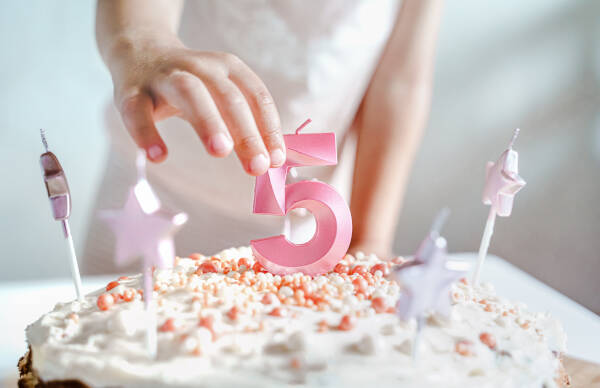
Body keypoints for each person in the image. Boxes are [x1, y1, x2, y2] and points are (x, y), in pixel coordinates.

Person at [85, 0, 443, 274]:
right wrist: (144, 43)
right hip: (148, 197)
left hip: (302, 227)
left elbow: (400, 81)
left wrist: (371, 238)